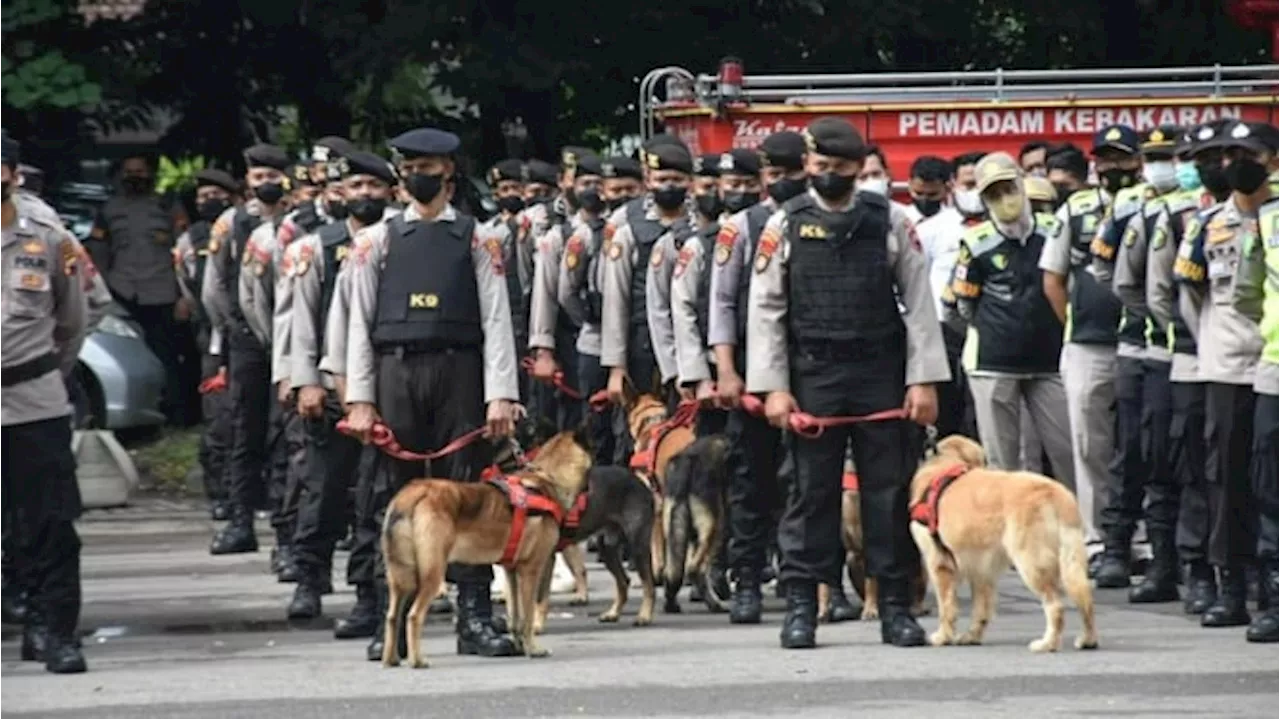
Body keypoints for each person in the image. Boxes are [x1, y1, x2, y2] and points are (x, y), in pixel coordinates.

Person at [747, 116, 950, 649]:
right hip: (813, 374)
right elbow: (766, 309)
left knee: (886, 493)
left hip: (878, 372)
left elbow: (920, 302)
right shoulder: (783, 224)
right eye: (819, 167)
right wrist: (774, 387)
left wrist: (922, 380)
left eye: (839, 169)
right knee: (810, 495)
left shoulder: (891, 219)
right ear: (807, 167)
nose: (827, 176)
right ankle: (801, 606)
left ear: (860, 169)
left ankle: (894, 607)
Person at [343, 127, 520, 661]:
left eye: (429, 167)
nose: (420, 176)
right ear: (400, 177)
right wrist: (359, 398)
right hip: (395, 374)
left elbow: (496, 318)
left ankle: (475, 618)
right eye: (411, 167)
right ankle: (389, 620)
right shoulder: (373, 241)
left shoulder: (477, 237)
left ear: (449, 173)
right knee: (390, 499)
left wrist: (501, 395)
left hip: (459, 373)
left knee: (467, 494)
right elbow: (357, 323)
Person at [284, 150, 398, 622]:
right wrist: (304, 381)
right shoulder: (314, 248)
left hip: (388, 389)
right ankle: (309, 579)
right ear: (340, 193)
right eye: (356, 187)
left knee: (378, 495)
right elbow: (301, 322)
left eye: (374, 187)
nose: (365, 195)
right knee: (325, 490)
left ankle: (370, 592)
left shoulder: (401, 239)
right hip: (331, 391)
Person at [1175, 119, 1277, 629]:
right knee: (1226, 478)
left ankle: (1269, 580)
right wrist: (1214, 344)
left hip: (1273, 361)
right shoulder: (1207, 224)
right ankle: (1231, 585)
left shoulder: (1276, 218)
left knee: (1270, 483)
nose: (1234, 163)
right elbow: (1187, 296)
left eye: (1248, 153)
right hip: (1228, 366)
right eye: (1229, 154)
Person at [707, 131, 808, 623]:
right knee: (751, 480)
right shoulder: (741, 228)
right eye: (775, 174)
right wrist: (725, 370)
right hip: (752, 370)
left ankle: (803, 579)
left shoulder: (821, 218)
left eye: (792, 174)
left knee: (808, 481)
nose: (782, 182)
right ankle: (745, 579)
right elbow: (722, 303)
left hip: (810, 366)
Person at [0, 131, 90, 673]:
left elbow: (73, 322)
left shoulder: (51, 239)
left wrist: (42, 372)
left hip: (35, 400)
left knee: (49, 523)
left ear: (9, 174)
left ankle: (53, 630)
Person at [1040, 124, 1140, 570]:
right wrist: (1076, 323)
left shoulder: (1153, 206)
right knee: (1089, 443)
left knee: (1143, 443)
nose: (1113, 167)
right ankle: (1097, 537)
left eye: (1121, 158)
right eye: (1105, 159)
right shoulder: (1076, 209)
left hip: (1145, 343)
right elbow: (1052, 279)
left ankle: (1141, 538)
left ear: (1138, 162)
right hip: (1087, 345)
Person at [1096, 125, 1187, 603]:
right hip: (1144, 347)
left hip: (1204, 354)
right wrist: (1155, 318)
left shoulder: (1207, 206)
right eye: (1157, 157)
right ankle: (1119, 547)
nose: (1164, 165)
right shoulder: (1134, 206)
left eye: (1171, 156)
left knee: (1188, 459)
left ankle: (1186, 560)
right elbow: (1109, 270)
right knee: (1135, 451)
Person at [943, 152, 1074, 481]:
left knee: (1068, 452)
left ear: (1022, 184)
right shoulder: (975, 243)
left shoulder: (1055, 230)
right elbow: (961, 307)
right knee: (1003, 463)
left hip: (1051, 360)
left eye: (1009, 188)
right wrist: (993, 330)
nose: (1005, 199)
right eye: (993, 194)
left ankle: (1083, 528)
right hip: (993, 363)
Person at [1150, 121, 1233, 615]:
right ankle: (1199, 570)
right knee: (1195, 472)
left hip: (1254, 364)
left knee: (1242, 473)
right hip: (1192, 360)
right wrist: (1202, 337)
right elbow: (1163, 291)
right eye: (1200, 157)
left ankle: (1246, 573)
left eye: (1220, 155)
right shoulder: (1181, 217)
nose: (1210, 166)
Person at [202, 143, 292, 556]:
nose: (266, 184)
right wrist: (235, 328)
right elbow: (213, 287)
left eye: (274, 177)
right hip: (247, 341)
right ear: (248, 181)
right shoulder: (230, 223)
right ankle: (240, 521)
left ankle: (287, 529)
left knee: (288, 435)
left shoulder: (297, 222)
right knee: (245, 431)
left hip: (291, 340)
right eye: (259, 178)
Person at [601, 138, 694, 455]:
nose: (669, 186)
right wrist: (616, 367)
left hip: (689, 345)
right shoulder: (629, 231)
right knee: (634, 439)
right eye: (662, 180)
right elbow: (615, 302)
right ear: (648, 181)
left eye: (677, 180)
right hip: (641, 348)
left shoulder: (700, 227)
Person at [86, 154, 188, 424]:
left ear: (150, 174)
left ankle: (176, 412)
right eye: (129, 171)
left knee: (166, 354)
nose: (134, 177)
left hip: (162, 292)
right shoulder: (109, 210)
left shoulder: (168, 207)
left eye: (140, 171)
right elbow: (98, 252)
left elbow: (184, 254)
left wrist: (183, 297)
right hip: (122, 292)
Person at [558, 155, 640, 467]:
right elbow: (567, 292)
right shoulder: (587, 236)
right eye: (616, 189)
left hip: (641, 344)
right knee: (597, 431)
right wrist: (593, 321)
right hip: (596, 343)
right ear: (604, 191)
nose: (623, 196)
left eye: (630, 189)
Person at [1234, 127, 1280, 645]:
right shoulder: (1265, 221)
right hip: (1275, 370)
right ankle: (1274, 599)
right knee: (1271, 489)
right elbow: (1247, 293)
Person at [174, 169, 240, 520]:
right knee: (217, 419)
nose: (207, 202)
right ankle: (220, 493)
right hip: (212, 338)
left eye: (214, 194)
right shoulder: (191, 239)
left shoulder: (242, 230)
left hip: (245, 335)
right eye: (201, 197)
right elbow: (187, 283)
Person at [530, 151, 604, 435]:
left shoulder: (617, 230)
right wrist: (544, 352)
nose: (592, 191)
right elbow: (546, 296)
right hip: (569, 339)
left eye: (598, 183)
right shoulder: (558, 236)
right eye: (585, 183)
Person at [913, 156, 976, 442]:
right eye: (918, 194)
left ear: (947, 188)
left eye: (932, 194)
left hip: (958, 323)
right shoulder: (913, 226)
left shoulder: (959, 225)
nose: (925, 200)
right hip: (930, 324)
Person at [951, 151, 988, 222]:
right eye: (970, 186)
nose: (977, 190)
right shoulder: (940, 224)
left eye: (982, 184)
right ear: (953, 184)